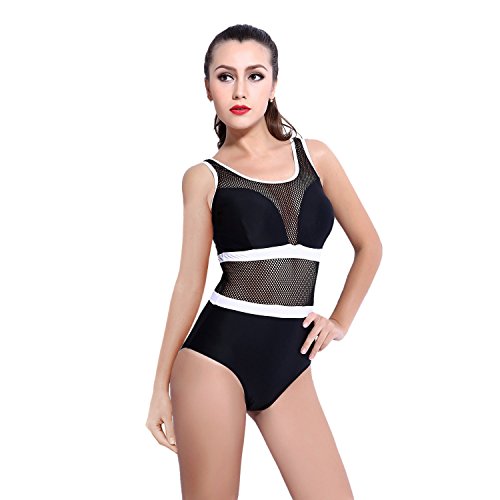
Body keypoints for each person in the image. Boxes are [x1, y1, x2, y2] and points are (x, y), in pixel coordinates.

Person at [146, 23, 382, 499]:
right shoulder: (204, 178)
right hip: (214, 359)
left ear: (273, 85)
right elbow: (189, 283)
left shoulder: (315, 157)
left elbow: (369, 246)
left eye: (254, 76)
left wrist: (340, 321)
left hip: (288, 363)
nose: (240, 90)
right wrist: (159, 386)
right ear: (207, 87)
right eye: (225, 76)